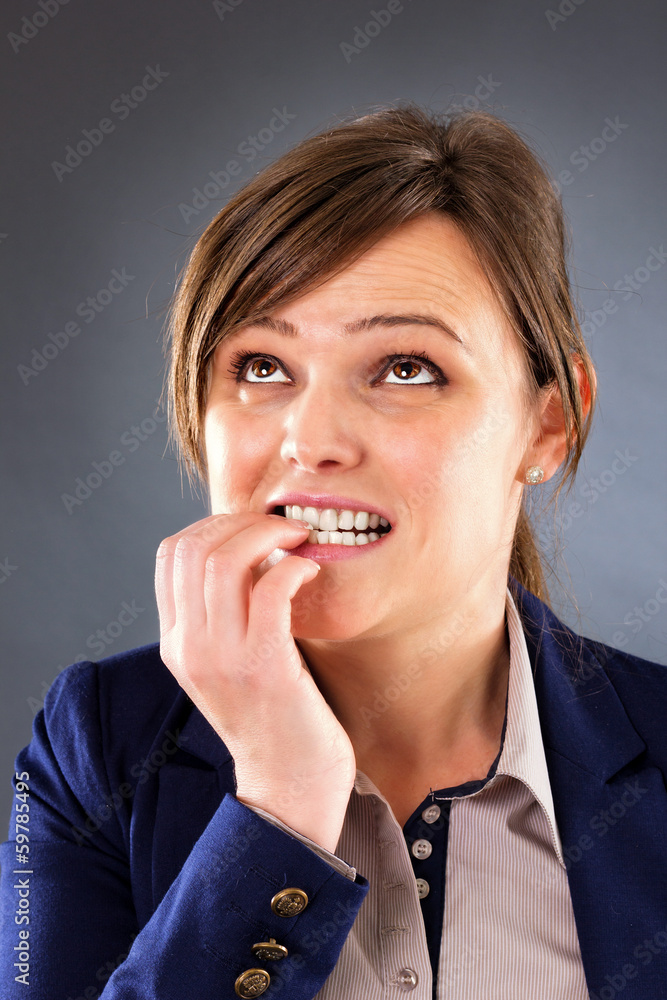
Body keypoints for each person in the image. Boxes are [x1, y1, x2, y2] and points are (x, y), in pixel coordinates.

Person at [1, 104, 665, 1000]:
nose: (309, 439)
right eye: (262, 367)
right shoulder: (98, 748)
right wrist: (280, 802)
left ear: (550, 421)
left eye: (404, 368)